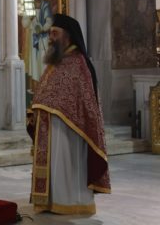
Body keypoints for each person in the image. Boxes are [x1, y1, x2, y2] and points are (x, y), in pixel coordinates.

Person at [29, 14, 110, 215]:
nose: (50, 38)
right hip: (52, 126)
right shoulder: (57, 61)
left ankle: (70, 202)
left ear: (68, 36)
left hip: (70, 130)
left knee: (67, 166)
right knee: (56, 166)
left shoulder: (78, 63)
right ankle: (51, 200)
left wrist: (51, 106)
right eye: (50, 33)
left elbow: (83, 102)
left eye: (55, 34)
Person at [21, 0, 53, 83]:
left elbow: (49, 21)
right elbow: (24, 24)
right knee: (34, 60)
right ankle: (35, 85)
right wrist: (30, 17)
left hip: (43, 36)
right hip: (33, 37)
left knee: (43, 59)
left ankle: (45, 83)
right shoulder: (29, 5)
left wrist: (43, 29)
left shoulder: (45, 4)